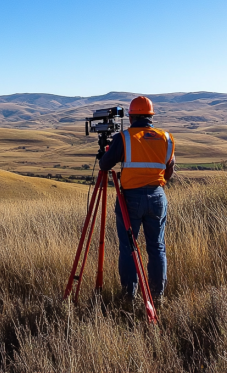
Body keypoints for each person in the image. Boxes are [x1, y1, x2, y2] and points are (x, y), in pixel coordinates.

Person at [99, 96, 175, 308]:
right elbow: (170, 168)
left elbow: (105, 165)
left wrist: (105, 151)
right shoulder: (167, 137)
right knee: (157, 247)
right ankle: (157, 296)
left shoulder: (124, 137)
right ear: (151, 117)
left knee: (128, 247)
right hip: (158, 196)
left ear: (131, 117)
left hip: (131, 198)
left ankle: (128, 297)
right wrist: (156, 185)